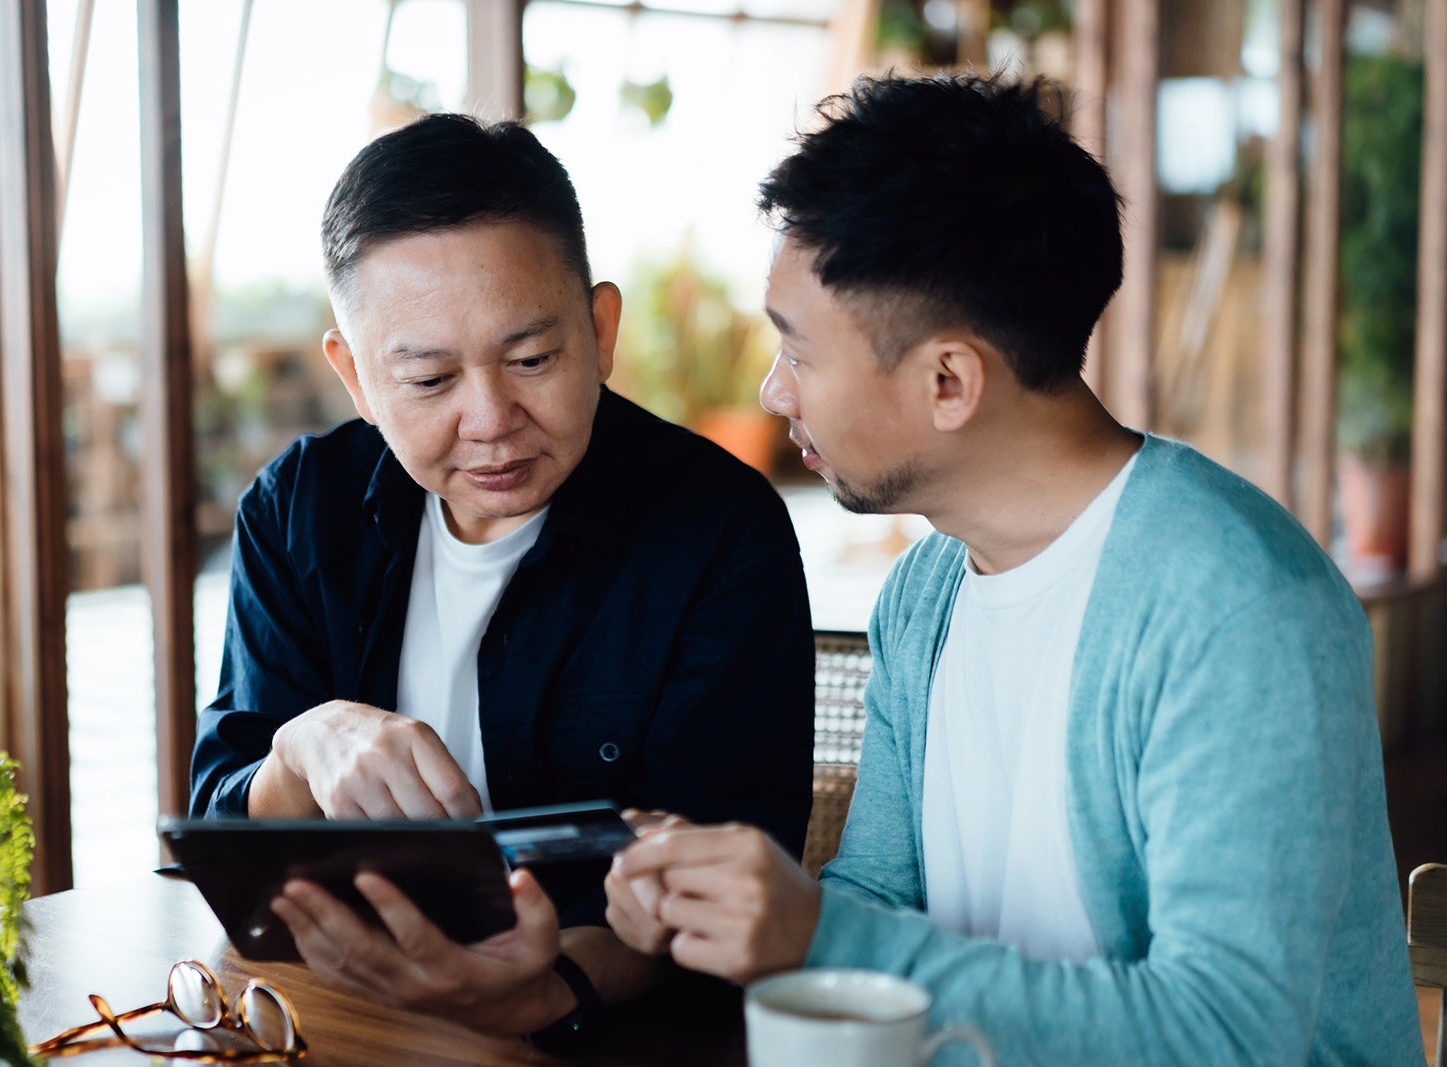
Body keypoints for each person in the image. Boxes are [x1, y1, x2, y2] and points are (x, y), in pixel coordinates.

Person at [607, 74, 1421, 1063]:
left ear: (949, 380)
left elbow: (1228, 1033)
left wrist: (814, 933)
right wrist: (720, 913)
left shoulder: (1235, 602)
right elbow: (876, 900)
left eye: (799, 353)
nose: (775, 391)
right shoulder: (926, 594)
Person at [189, 113, 815, 1043]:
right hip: (333, 1015)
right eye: (431, 380)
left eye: (531, 359)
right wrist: (300, 751)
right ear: (356, 378)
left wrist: (540, 991)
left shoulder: (718, 533)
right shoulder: (299, 512)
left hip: (599, 1032)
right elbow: (223, 833)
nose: (490, 419)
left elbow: (723, 894)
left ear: (601, 330)